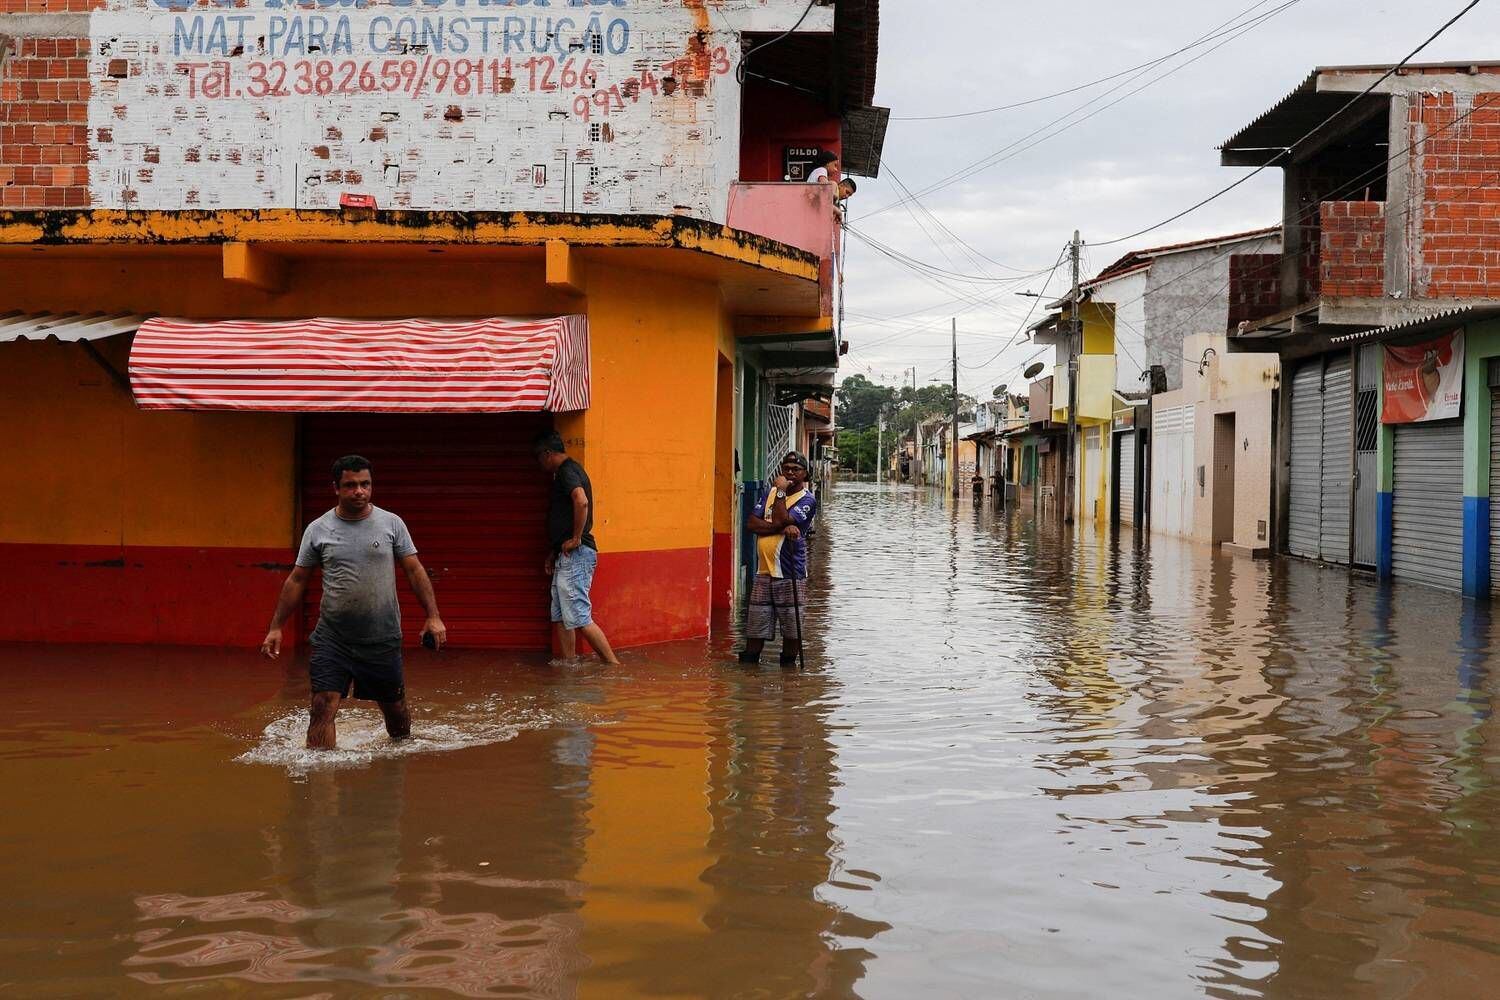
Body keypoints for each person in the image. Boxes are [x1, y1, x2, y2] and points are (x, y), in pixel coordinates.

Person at [260, 455, 446, 750]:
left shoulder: (392, 524)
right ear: (335, 488)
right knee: (323, 704)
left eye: (365, 484)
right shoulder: (318, 529)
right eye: (350, 485)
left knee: (395, 714)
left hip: (381, 637)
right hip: (333, 638)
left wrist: (433, 616)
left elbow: (414, 570)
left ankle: (397, 766)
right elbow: (297, 579)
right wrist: (276, 627)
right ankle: (319, 782)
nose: (359, 491)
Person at [534, 431, 620, 665]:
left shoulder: (567, 472)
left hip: (576, 554)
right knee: (561, 615)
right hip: (565, 555)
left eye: (539, 457)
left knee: (579, 616)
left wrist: (576, 538)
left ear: (548, 454)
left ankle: (613, 668)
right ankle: (569, 668)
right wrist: (554, 551)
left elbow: (581, 500)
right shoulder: (564, 473)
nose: (539, 463)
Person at [741, 452, 819, 668]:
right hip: (763, 572)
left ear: (805, 474)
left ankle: (788, 673)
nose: (791, 472)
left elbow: (783, 517)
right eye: (787, 468)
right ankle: (749, 672)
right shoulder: (769, 493)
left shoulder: (807, 499)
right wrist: (780, 527)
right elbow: (751, 524)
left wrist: (782, 495)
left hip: (789, 572)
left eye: (796, 469)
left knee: (792, 629)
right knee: (756, 625)